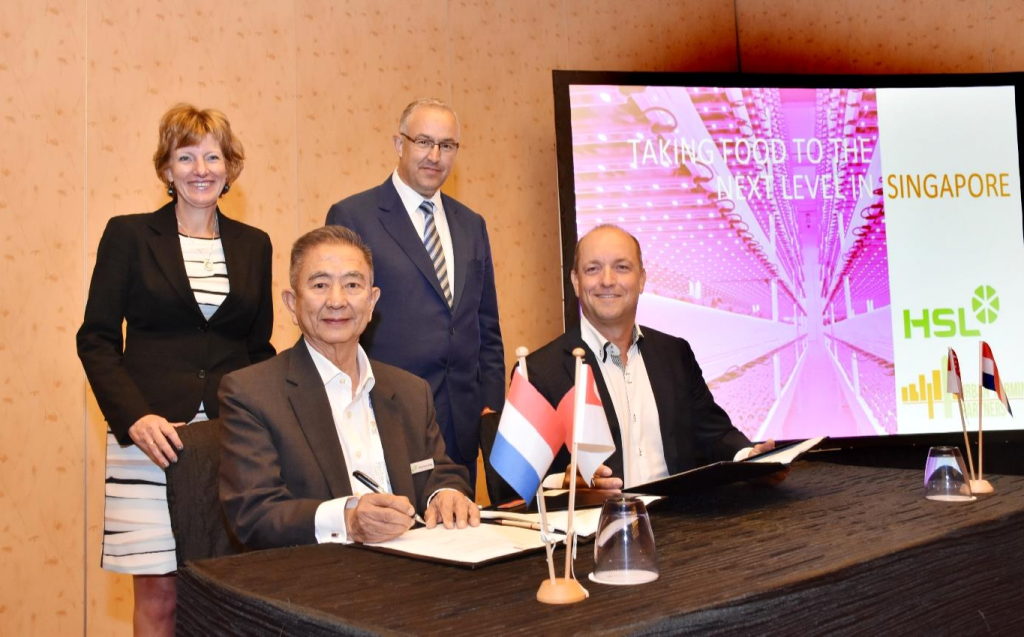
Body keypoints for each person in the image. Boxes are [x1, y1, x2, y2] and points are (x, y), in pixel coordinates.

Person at [77, 104, 275, 636]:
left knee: (231, 593)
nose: (200, 169)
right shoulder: (129, 236)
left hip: (231, 444)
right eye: (185, 156)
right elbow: (95, 339)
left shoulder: (254, 245)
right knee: (161, 600)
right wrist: (135, 419)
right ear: (166, 168)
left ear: (230, 167)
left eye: (212, 156)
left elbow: (258, 349)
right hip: (149, 444)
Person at [219, 226, 480, 549]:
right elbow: (254, 515)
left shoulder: (411, 391)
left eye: (352, 285)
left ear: (372, 302)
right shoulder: (252, 393)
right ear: (292, 303)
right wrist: (347, 521)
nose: (337, 301)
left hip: (417, 572)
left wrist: (446, 494)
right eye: (320, 285)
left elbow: (439, 471)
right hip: (317, 581)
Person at [324, 98, 504, 486]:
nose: (435, 156)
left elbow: (485, 324)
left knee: (461, 534)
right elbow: (336, 325)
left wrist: (492, 405)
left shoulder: (472, 224)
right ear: (399, 144)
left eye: (447, 145)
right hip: (386, 413)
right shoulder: (355, 216)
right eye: (423, 141)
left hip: (461, 422)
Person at [525, 224, 786, 491]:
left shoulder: (676, 355)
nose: (607, 280)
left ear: (641, 280)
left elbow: (715, 434)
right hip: (602, 529)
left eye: (622, 267)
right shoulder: (539, 373)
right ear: (576, 282)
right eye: (592, 269)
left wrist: (749, 459)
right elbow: (514, 486)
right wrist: (561, 484)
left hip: (684, 523)